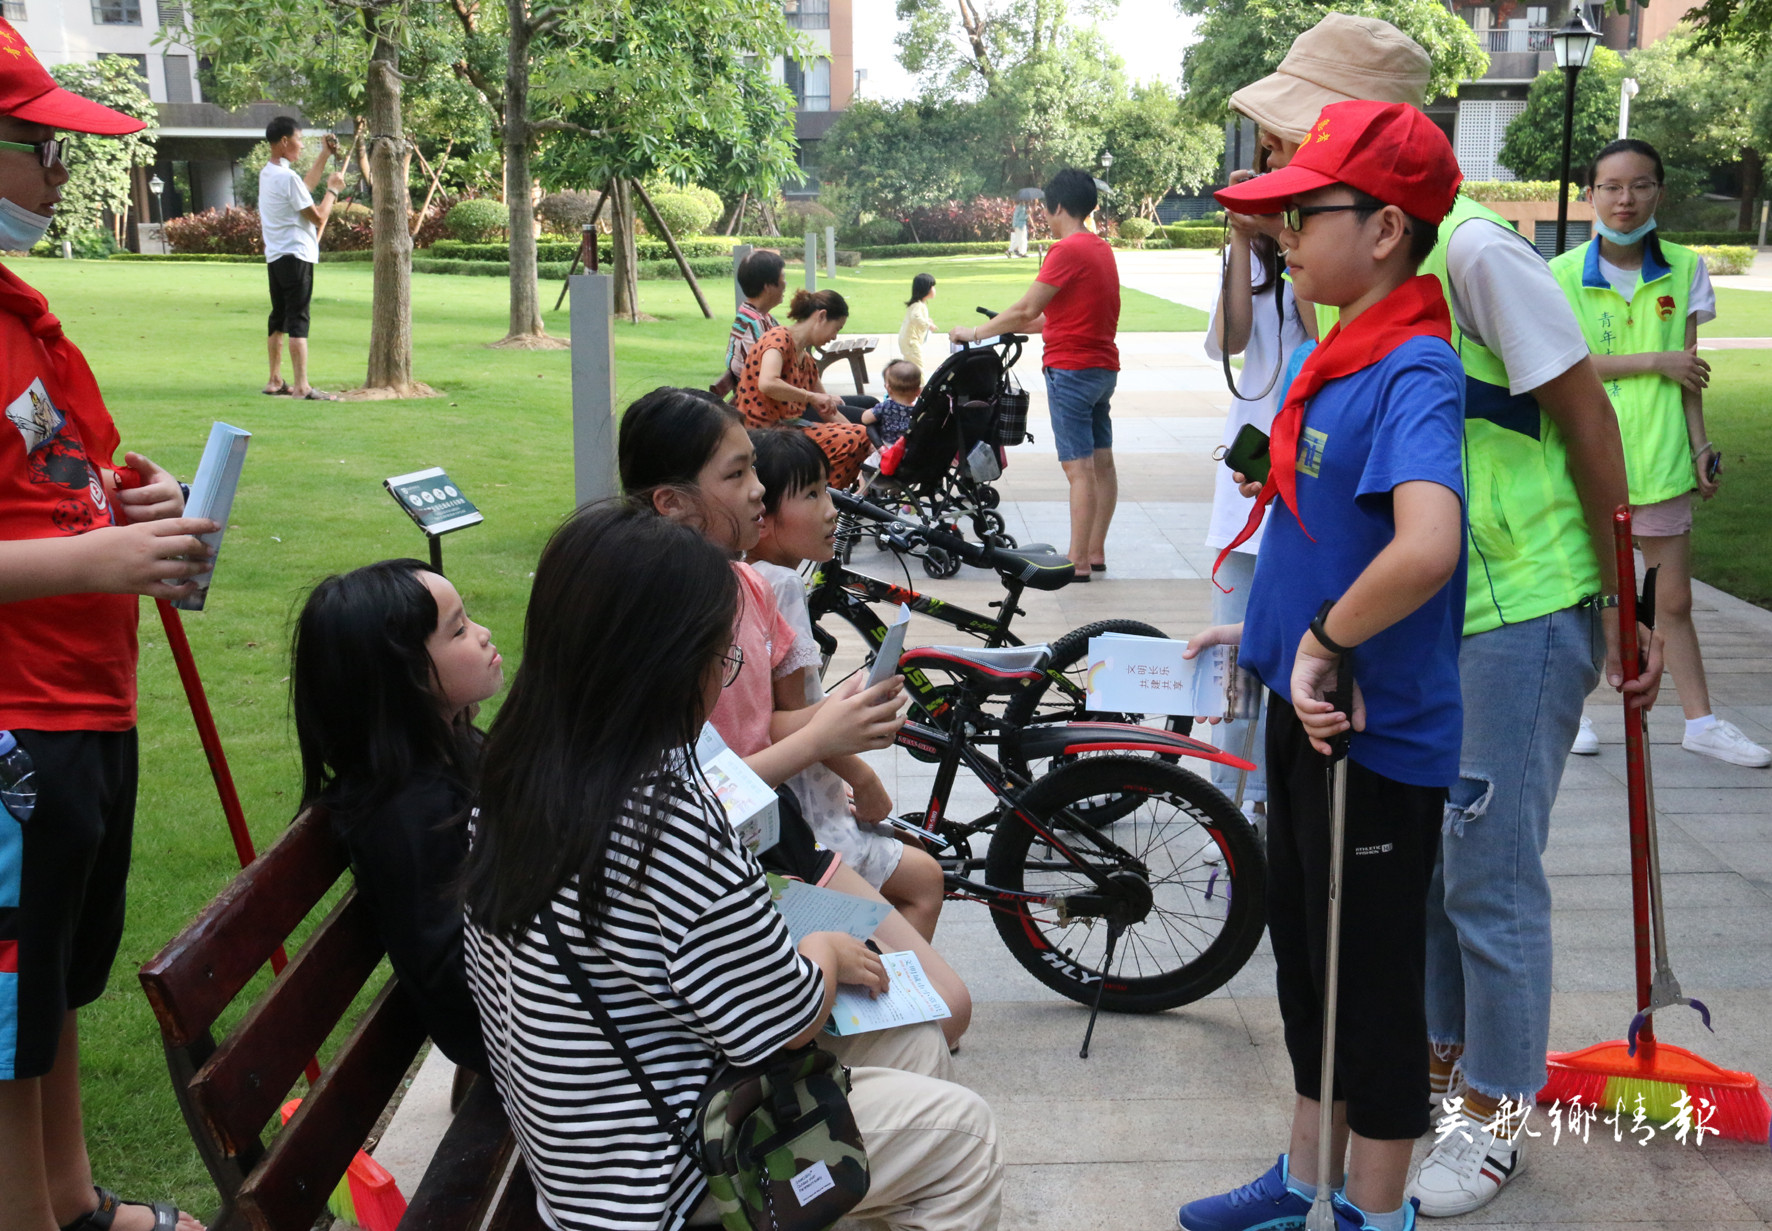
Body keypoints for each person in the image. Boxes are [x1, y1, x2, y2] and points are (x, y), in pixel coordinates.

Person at [1226, 15, 1662, 1219]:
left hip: (1516, 602)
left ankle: (1494, 1115)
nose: (1269, 135)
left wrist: (1625, 604)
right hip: (1425, 620)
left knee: (1484, 877)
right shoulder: (1345, 251)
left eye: (1291, 114)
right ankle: (1423, 1076)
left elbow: (1583, 415)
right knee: (1412, 882)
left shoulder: (1465, 253)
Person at [460, 501, 1003, 1231]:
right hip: (665, 1176)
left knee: (908, 1032)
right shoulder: (663, 815)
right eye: (722, 655)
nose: (726, 674)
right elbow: (780, 1024)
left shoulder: (520, 771)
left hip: (596, 1134)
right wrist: (823, 950)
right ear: (665, 664)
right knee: (962, 1133)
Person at [1175, 100, 1470, 1231]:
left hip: (1369, 737)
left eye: (1303, 214)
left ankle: (1372, 1208)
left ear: (1386, 229)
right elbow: (1318, 536)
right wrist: (1257, 635)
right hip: (1308, 722)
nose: (1282, 237)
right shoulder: (1339, 355)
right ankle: (1306, 1176)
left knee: (1371, 987)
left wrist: (1322, 639)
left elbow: (1425, 545)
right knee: (1306, 964)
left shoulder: (1412, 369)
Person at [0, 20, 217, 1229]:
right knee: (3, 1017)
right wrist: (102, 554)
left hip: (85, 703)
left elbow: (49, 478)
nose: (61, 173)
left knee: (53, 989)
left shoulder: (20, 310)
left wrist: (137, 505)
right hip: (14, 725)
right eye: (41, 145)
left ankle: (76, 1204)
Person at [617, 387, 971, 1042]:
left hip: (780, 835)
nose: (760, 490)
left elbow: (761, 724)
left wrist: (836, 721)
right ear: (671, 502)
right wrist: (825, 737)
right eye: (738, 474)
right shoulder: (659, 621)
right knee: (931, 1016)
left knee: (945, 1004)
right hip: (735, 867)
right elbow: (691, 795)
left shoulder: (752, 584)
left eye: (755, 468)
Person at [1551, 140, 1766, 768]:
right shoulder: (1561, 274)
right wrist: (1653, 359)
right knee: (1587, 594)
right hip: (1587, 458)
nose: (1625, 199)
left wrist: (1701, 446)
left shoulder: (1685, 267)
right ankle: (1577, 715)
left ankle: (1700, 722)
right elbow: (1559, 367)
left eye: (1640, 185)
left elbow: (1689, 377)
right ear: (1590, 195)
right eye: (1611, 187)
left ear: (1659, 192)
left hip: (1665, 459)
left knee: (1674, 603)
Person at [290, 559, 503, 1076]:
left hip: (523, 1011)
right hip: (515, 1037)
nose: (483, 634)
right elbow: (455, 975)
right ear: (403, 675)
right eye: (459, 629)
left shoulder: (447, 752)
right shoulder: (410, 813)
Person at [747, 428, 947, 939]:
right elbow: (791, 722)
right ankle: (891, 1001)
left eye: (826, 489)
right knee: (925, 880)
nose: (831, 509)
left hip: (785, 803)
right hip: (811, 813)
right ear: (764, 518)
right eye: (811, 494)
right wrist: (864, 777)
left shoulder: (751, 577)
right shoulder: (782, 583)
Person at [1202, 137, 1314, 832]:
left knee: (1298, 652)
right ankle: (1225, 811)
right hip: (1247, 479)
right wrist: (1243, 241)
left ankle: (1282, 802)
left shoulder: (1325, 256)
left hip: (1308, 478)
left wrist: (1284, 231)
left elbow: (1324, 333)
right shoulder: (1252, 252)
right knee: (1235, 665)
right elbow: (1234, 339)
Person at [951, 167, 1120, 581]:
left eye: (1046, 208)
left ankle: (1076, 561)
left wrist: (973, 332)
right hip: (1101, 368)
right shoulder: (1101, 248)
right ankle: (1095, 551)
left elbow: (1027, 309)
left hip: (1071, 371)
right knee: (1102, 464)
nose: (1044, 214)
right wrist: (1004, 324)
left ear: (1058, 206)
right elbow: (1049, 318)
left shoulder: (1067, 250)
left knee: (1077, 470)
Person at [736, 289, 874, 489]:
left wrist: (868, 442)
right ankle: (817, 498)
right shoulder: (778, 338)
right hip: (761, 436)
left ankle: (823, 498)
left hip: (786, 432)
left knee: (859, 436)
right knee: (853, 438)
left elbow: (828, 410)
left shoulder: (807, 361)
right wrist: (811, 397)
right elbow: (767, 383)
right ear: (821, 316)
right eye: (837, 328)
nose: (835, 336)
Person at [257, 115, 345, 401]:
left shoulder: (269, 173)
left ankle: (274, 380)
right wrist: (333, 189)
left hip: (276, 256)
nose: (301, 146)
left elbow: (302, 188)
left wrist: (324, 154)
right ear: (284, 142)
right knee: (298, 319)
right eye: (298, 140)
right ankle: (302, 386)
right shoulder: (286, 177)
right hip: (297, 255)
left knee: (278, 317)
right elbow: (318, 216)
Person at [718, 248, 786, 397]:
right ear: (768, 287)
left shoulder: (757, 317)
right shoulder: (754, 324)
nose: (785, 284)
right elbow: (770, 378)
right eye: (782, 278)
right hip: (768, 410)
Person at [862, 359, 920, 447]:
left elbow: (865, 419)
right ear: (918, 391)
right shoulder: (919, 411)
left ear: (888, 389)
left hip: (888, 448)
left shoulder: (886, 406)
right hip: (911, 450)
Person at [896, 273, 939, 373]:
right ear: (925, 289)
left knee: (910, 367)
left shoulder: (918, 304)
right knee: (918, 368)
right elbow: (915, 318)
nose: (934, 289)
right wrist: (929, 325)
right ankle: (921, 387)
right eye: (932, 287)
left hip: (908, 342)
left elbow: (915, 318)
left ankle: (907, 386)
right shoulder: (917, 305)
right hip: (911, 342)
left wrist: (927, 320)